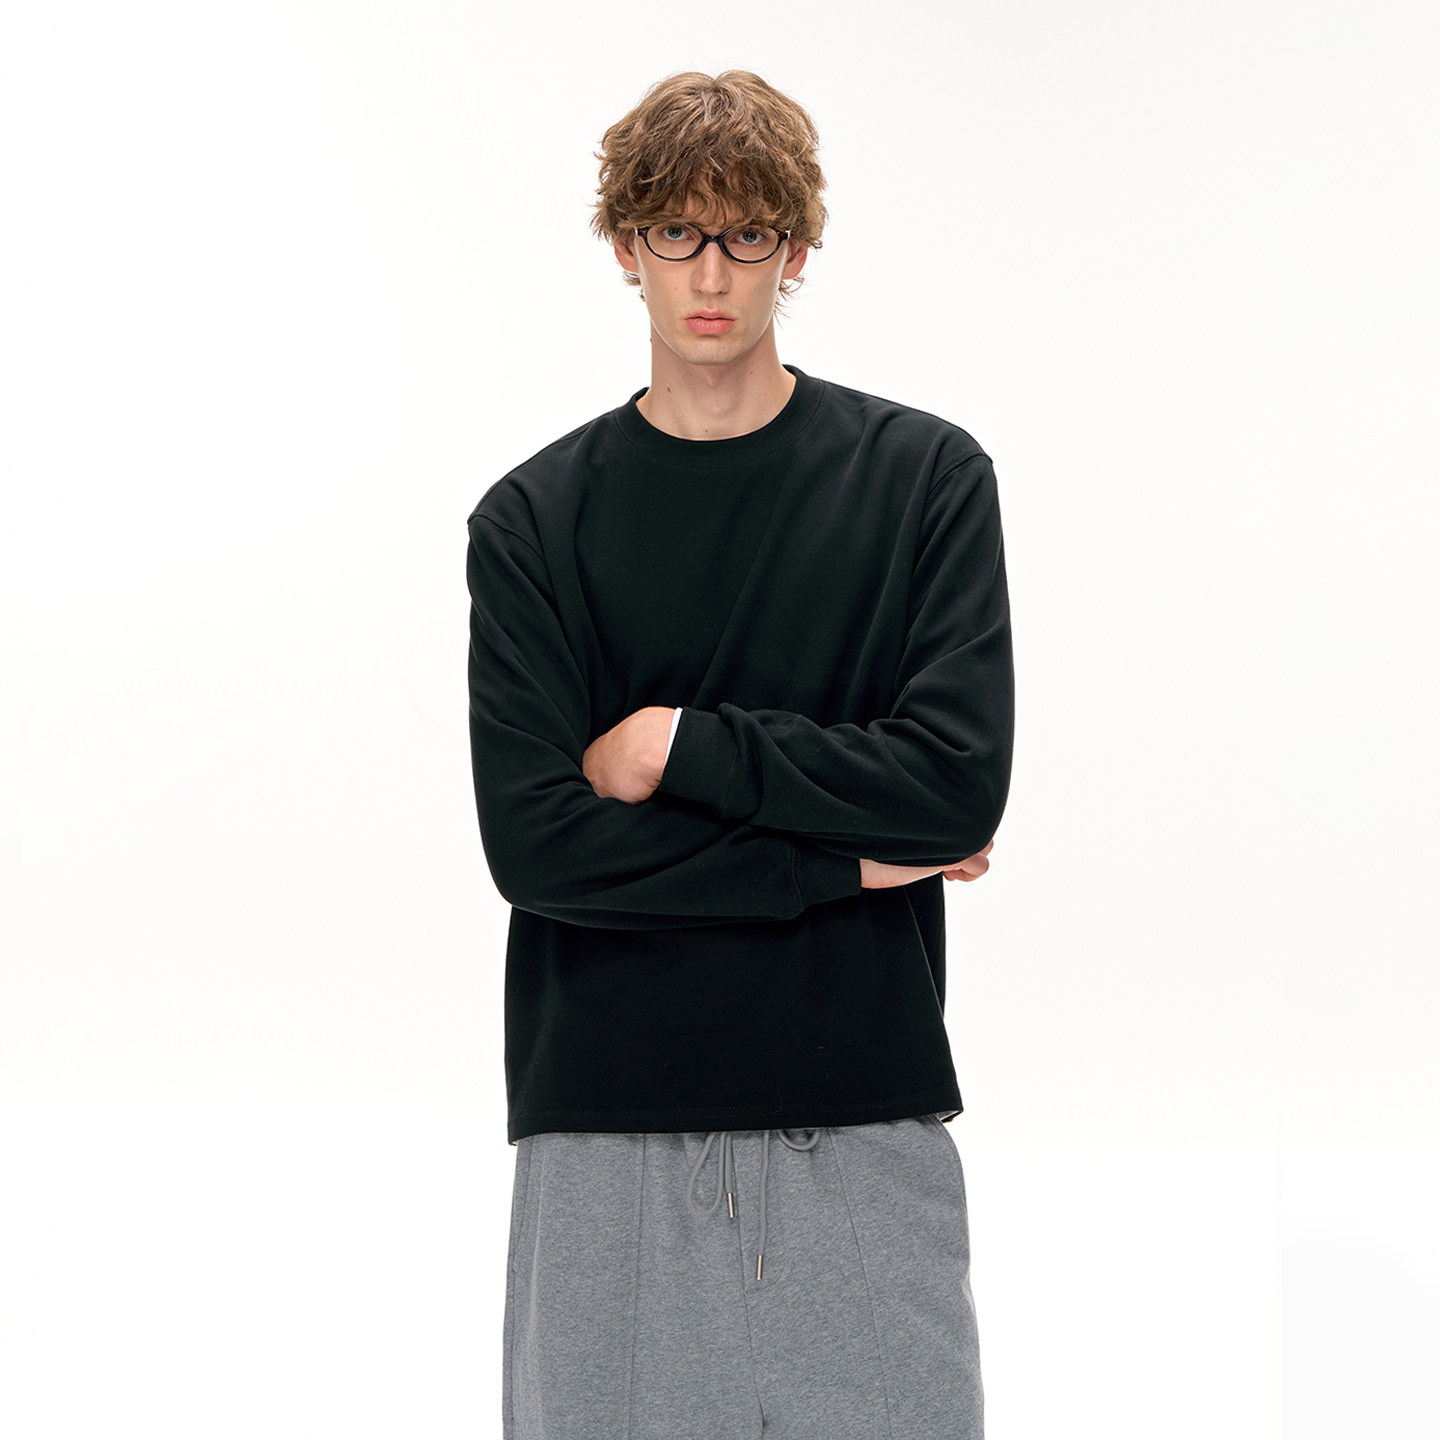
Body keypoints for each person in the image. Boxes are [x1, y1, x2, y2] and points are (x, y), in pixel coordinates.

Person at [466, 69, 1013, 1440]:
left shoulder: (924, 482)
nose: (710, 274)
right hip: (605, 1128)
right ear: (625, 246)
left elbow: (952, 787)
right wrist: (839, 863)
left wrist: (679, 744)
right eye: (676, 233)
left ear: (797, 248)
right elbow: (538, 849)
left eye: (747, 235)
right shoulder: (531, 522)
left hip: (860, 1113)